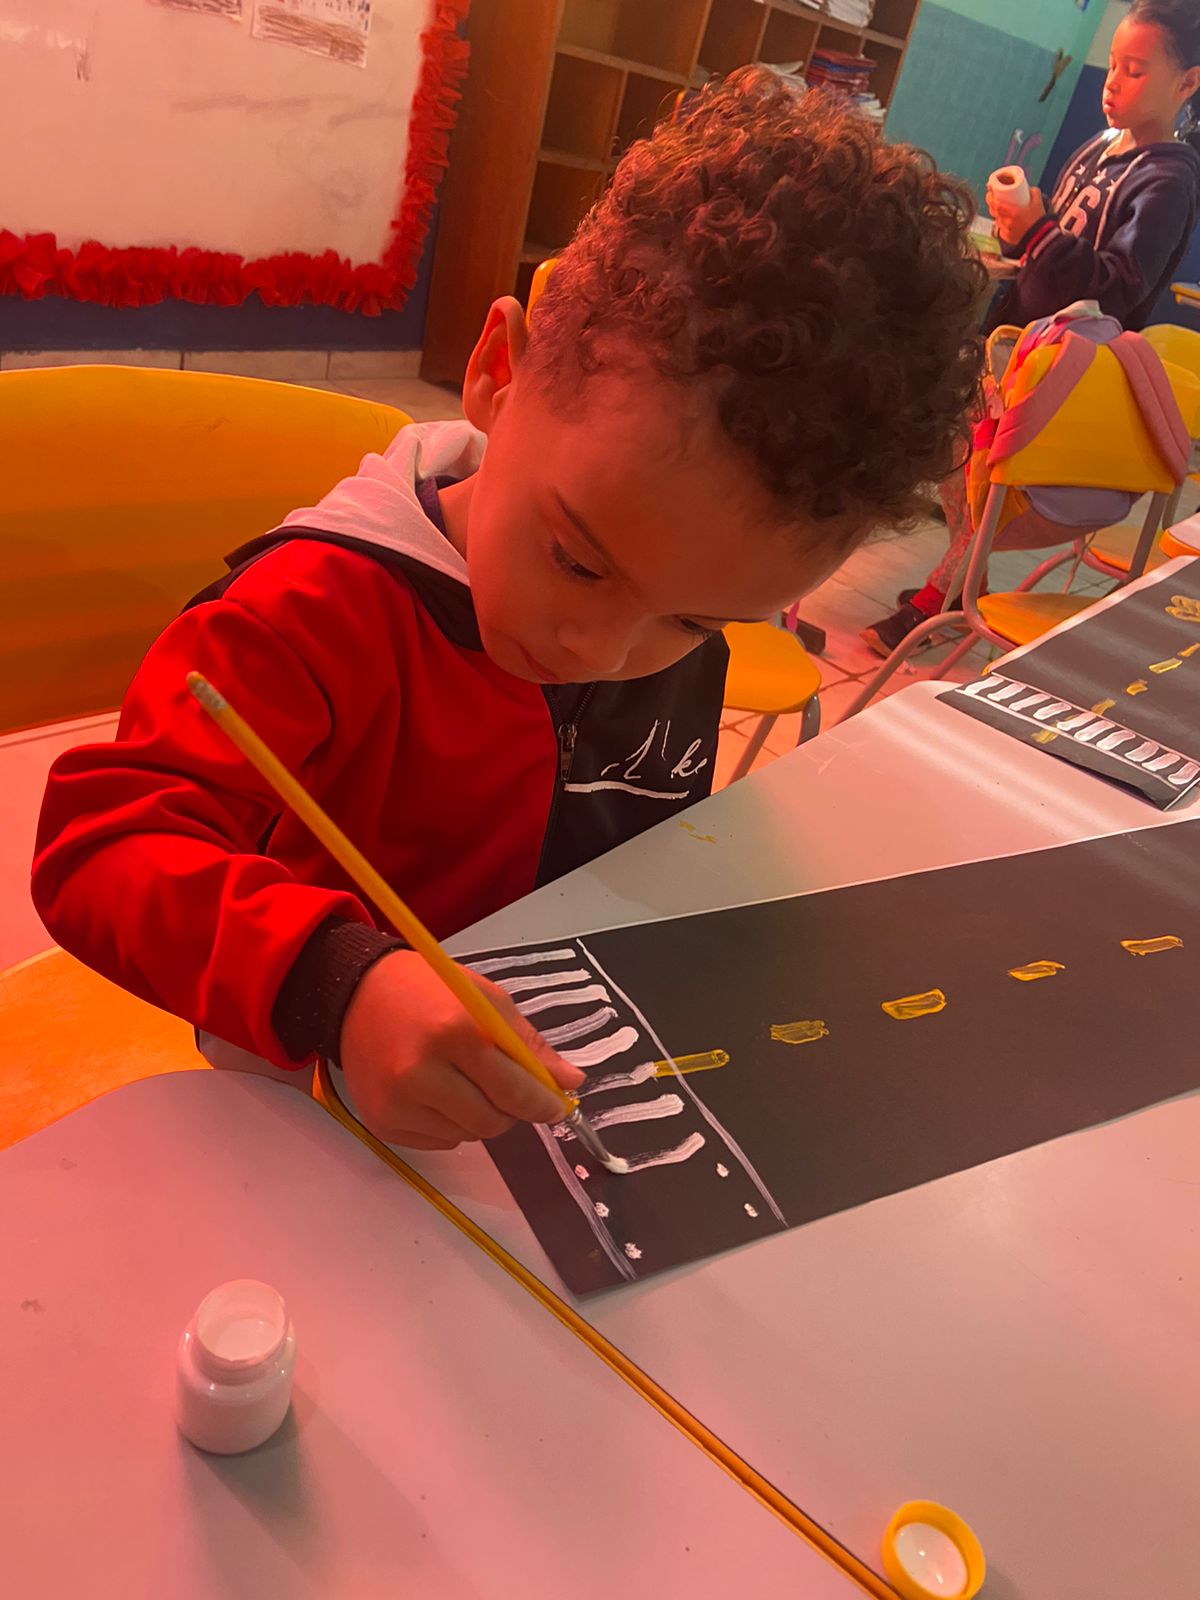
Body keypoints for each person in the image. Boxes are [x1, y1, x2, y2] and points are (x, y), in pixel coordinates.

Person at [32, 70, 984, 1151]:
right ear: (497, 371)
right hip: (315, 1096)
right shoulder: (308, 614)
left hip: (551, 1088)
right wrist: (336, 983)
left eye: (693, 625)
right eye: (577, 563)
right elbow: (101, 844)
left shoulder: (668, 584)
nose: (600, 649)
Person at [863, 0, 1200, 657]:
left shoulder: (1168, 181)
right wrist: (1018, 232)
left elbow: (1116, 291)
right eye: (1113, 65)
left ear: (1187, 82)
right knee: (957, 461)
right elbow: (1052, 252)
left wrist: (1039, 231)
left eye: (1135, 71)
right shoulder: (1101, 149)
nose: (1112, 82)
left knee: (986, 480)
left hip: (1065, 371)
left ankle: (944, 598)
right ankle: (966, 579)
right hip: (1017, 348)